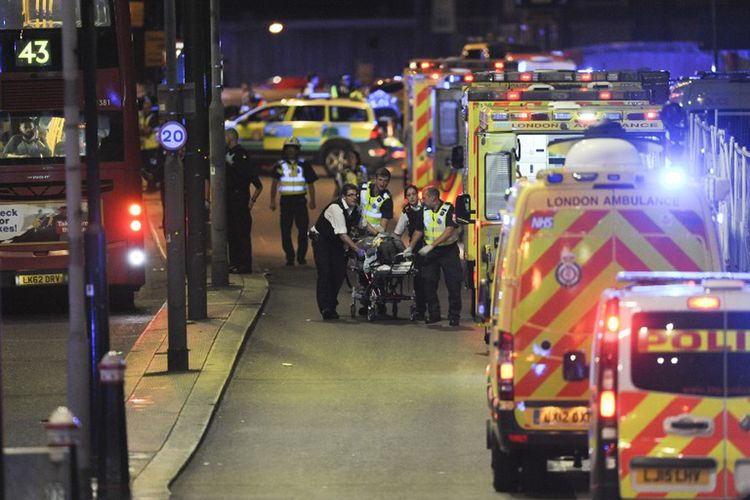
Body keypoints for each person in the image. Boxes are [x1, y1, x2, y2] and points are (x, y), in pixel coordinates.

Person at [310, 183, 368, 320]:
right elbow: (342, 234)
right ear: (343, 197)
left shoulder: (354, 209)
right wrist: (357, 249)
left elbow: (363, 225)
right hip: (322, 241)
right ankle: (325, 308)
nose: (354, 198)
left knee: (339, 273)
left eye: (356, 195)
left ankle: (331, 304)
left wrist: (380, 234)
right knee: (325, 273)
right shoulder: (336, 208)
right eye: (351, 195)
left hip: (336, 243)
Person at [413, 186, 462, 326]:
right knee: (428, 282)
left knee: (453, 283)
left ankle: (454, 315)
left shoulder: (448, 209)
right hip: (432, 252)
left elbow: (449, 231)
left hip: (448, 251)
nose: (422, 201)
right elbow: (419, 230)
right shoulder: (424, 210)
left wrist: (432, 245)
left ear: (433, 198)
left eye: (425, 198)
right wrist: (410, 248)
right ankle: (434, 314)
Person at [269, 136, 318, 266]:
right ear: (285, 150)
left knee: (302, 230)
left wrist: (312, 200)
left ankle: (301, 256)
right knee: (285, 230)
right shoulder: (280, 165)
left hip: (300, 201)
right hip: (285, 201)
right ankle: (289, 256)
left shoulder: (304, 164)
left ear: (297, 150)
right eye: (288, 149)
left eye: (293, 148)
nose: (291, 151)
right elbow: (274, 183)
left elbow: (311, 183)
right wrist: (272, 200)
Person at [225, 128, 263, 273]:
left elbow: (255, 182)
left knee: (241, 234)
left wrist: (251, 201)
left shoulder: (242, 155)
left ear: (231, 137)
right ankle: (234, 263)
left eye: (225, 136)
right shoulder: (224, 153)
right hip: (229, 201)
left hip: (239, 200)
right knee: (231, 234)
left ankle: (244, 266)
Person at [394, 185, 426, 320]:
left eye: (414, 194)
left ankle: (431, 308)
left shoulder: (426, 207)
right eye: (409, 195)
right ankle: (420, 310)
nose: (412, 197)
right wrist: (400, 249)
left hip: (429, 245)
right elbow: (397, 233)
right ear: (406, 197)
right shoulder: (406, 212)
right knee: (418, 279)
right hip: (416, 247)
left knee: (429, 279)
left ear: (418, 195)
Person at [359, 167, 393, 232]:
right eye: (380, 180)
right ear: (375, 179)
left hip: (372, 234)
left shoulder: (387, 199)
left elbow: (382, 228)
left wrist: (376, 234)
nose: (382, 184)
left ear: (388, 182)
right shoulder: (363, 188)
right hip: (357, 230)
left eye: (385, 181)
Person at [138, 95, 161, 192]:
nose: (145, 109)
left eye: (147, 107)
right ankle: (151, 185)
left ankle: (152, 186)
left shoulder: (154, 118)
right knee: (143, 168)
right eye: (144, 107)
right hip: (143, 147)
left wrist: (141, 129)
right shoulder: (141, 116)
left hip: (152, 147)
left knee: (152, 169)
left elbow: (146, 131)